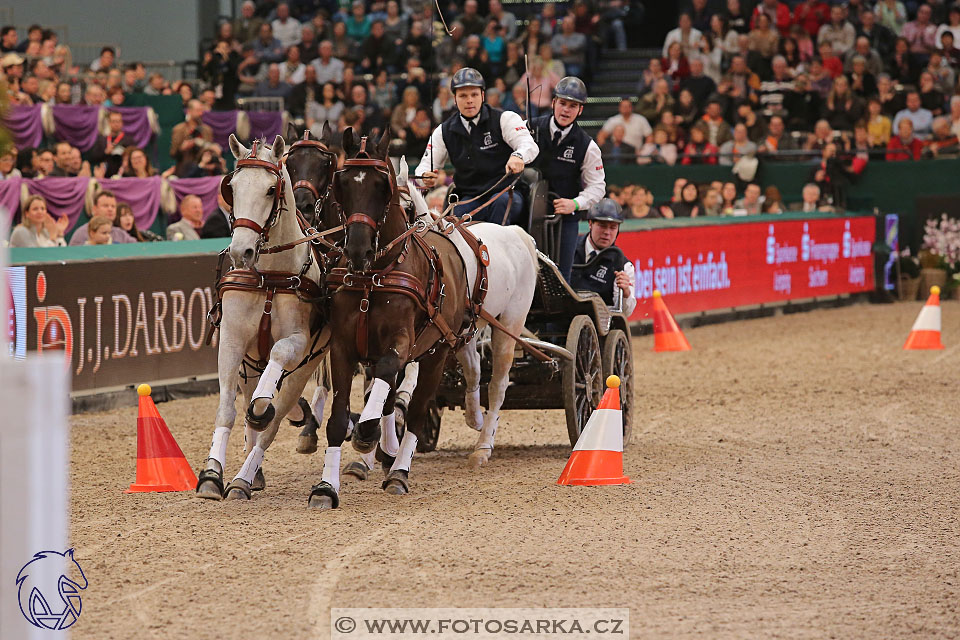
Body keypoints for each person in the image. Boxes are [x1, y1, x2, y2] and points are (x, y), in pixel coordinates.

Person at [417, 67, 538, 226]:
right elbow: (425, 166)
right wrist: (425, 177)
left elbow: (529, 145)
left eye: (474, 94)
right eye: (463, 95)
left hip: (506, 192)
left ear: (482, 95)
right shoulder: (443, 131)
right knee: (457, 215)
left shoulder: (505, 118)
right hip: (469, 197)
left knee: (501, 204)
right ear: (455, 99)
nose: (469, 100)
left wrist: (518, 156)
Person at [528, 76, 606, 282]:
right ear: (553, 103)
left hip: (564, 219)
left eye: (573, 106)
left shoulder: (587, 145)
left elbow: (598, 187)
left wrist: (575, 203)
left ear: (580, 110)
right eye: (562, 103)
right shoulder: (528, 128)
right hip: (527, 212)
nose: (566, 110)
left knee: (561, 279)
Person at [570, 198, 636, 316]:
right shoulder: (569, 249)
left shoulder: (623, 265)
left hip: (598, 324)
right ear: (590, 224)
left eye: (613, 227)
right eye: (602, 225)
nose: (607, 232)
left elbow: (626, 312)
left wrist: (626, 292)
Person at [68, 191, 136, 245]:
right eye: (105, 206)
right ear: (94, 209)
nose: (110, 209)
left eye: (113, 206)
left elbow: (138, 248)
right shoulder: (82, 233)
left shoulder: (121, 234)